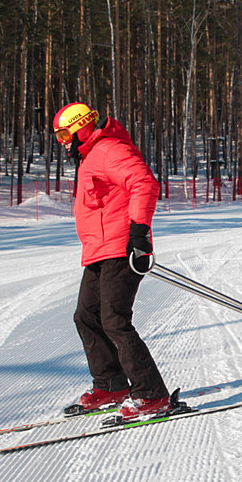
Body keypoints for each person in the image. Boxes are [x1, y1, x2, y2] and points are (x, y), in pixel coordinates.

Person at [53, 102, 172, 421]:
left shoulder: (108, 149)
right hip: (98, 250)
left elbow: (144, 183)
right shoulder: (92, 155)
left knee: (114, 319)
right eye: (58, 136)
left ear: (81, 128)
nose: (63, 142)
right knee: (86, 316)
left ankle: (151, 394)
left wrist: (139, 231)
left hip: (121, 247)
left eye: (65, 133)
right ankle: (111, 384)